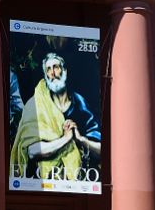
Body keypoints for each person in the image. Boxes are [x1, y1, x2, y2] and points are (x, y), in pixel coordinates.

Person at [8, 52, 101, 182]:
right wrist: (65, 139)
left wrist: (80, 139)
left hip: (78, 184)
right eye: (48, 69)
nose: (52, 73)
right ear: (45, 75)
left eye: (56, 67)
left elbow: (101, 150)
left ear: (65, 71)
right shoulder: (35, 105)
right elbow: (32, 151)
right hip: (40, 183)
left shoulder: (80, 104)